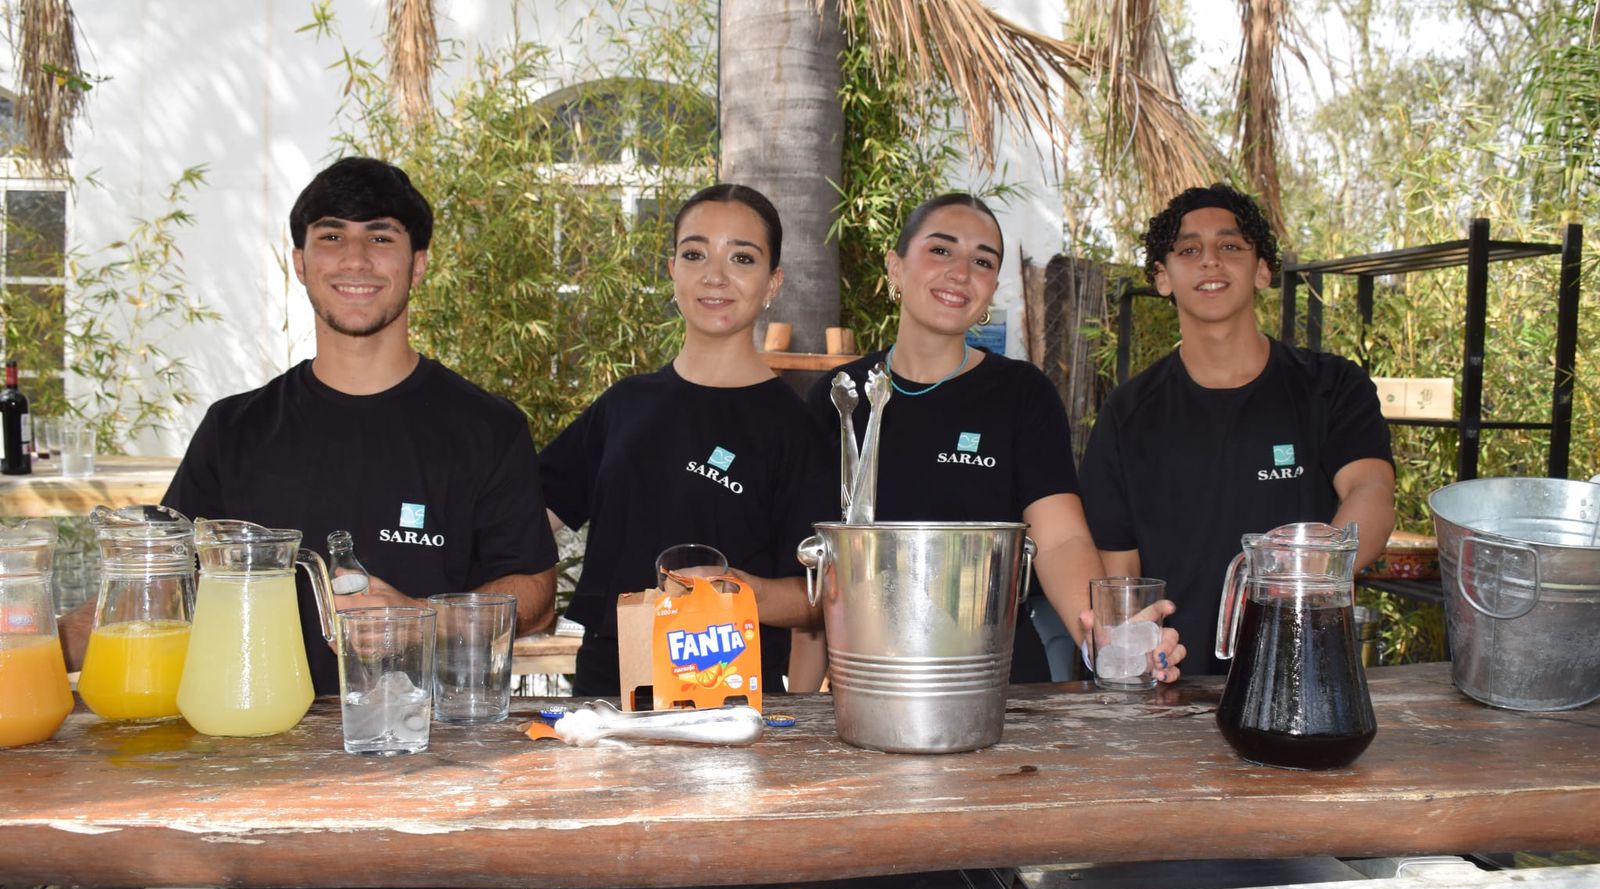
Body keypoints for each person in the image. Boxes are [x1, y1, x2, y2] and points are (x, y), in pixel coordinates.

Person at [152, 156, 558, 695]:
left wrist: (418, 618)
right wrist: (50, 637)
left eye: (381, 238)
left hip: (427, 732)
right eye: (332, 236)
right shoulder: (234, 429)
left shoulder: (488, 427)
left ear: (418, 265)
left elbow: (537, 598)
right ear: (300, 263)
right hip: (253, 727)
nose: (356, 259)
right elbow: (155, 583)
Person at [797, 193, 1186, 688]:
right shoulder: (840, 396)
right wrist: (796, 710)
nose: (961, 272)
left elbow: (1060, 539)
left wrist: (1102, 638)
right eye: (941, 250)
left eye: (982, 261)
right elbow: (820, 565)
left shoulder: (1021, 393)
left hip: (999, 681)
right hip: (871, 680)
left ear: (992, 288)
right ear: (896, 266)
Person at [1077, 183, 1396, 676]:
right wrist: (1137, 648)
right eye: (1189, 250)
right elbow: (1119, 575)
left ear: (1262, 269)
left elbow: (1370, 492)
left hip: (1300, 673)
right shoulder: (1127, 413)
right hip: (1172, 682)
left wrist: (1301, 582)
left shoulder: (1333, 386)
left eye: (1230, 246)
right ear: (1162, 277)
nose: (1210, 261)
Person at [539, 183, 835, 699]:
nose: (715, 275)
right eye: (695, 254)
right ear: (672, 269)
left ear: (773, 282)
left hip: (728, 692)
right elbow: (525, 520)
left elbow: (819, 597)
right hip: (608, 689)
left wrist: (741, 590)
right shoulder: (625, 404)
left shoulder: (797, 428)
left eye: (742, 258)